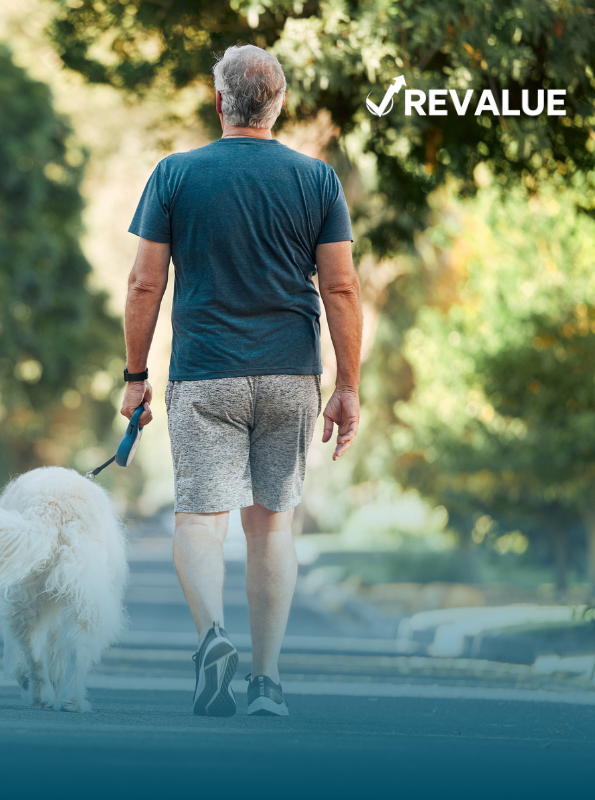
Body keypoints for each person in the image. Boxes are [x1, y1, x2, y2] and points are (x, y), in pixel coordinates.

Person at [119, 45, 362, 717]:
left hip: (206, 375)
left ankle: (212, 639)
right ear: (279, 104)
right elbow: (340, 286)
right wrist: (349, 385)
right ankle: (267, 683)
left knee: (200, 518)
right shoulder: (317, 180)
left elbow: (145, 282)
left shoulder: (175, 174)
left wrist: (135, 376)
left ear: (218, 100)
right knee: (272, 528)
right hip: (290, 373)